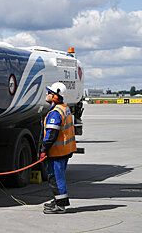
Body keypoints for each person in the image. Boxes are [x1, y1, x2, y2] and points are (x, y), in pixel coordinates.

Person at [40, 82, 77, 214]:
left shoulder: (56, 112)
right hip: (64, 151)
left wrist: (44, 150)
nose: (46, 94)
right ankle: (58, 200)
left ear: (55, 96)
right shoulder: (64, 108)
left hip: (57, 152)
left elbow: (51, 134)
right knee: (57, 176)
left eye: (49, 92)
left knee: (55, 178)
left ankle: (60, 206)